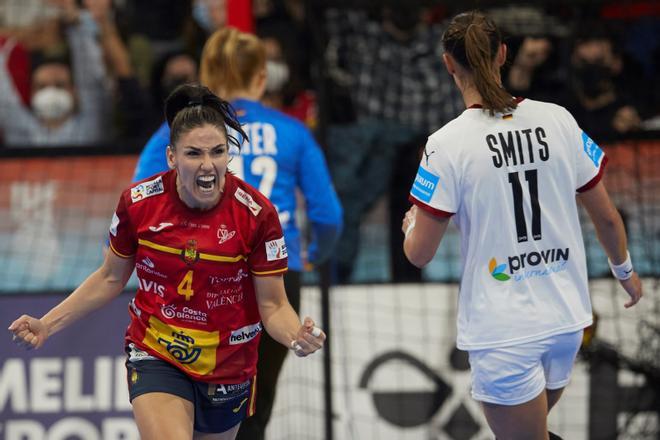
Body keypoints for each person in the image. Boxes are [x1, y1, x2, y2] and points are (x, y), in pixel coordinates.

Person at [9, 84, 326, 440]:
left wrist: (294, 335)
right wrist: (47, 325)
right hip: (157, 351)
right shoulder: (138, 203)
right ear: (172, 157)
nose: (208, 165)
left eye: (218, 152)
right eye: (194, 153)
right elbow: (109, 278)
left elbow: (273, 303)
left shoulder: (257, 215)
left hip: (229, 365)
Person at [401, 11, 643, 440]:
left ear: (448, 64)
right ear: (504, 55)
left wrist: (410, 225)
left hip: (504, 330)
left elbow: (419, 254)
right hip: (567, 320)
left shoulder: (445, 144)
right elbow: (606, 215)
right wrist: (624, 272)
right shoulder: (559, 119)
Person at [132, 28, 342, 439]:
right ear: (263, 77)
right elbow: (328, 214)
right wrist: (312, 253)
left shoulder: (178, 135)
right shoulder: (292, 131)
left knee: (187, 408)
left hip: (196, 278)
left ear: (205, 74)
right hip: (277, 279)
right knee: (251, 415)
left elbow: (136, 207)